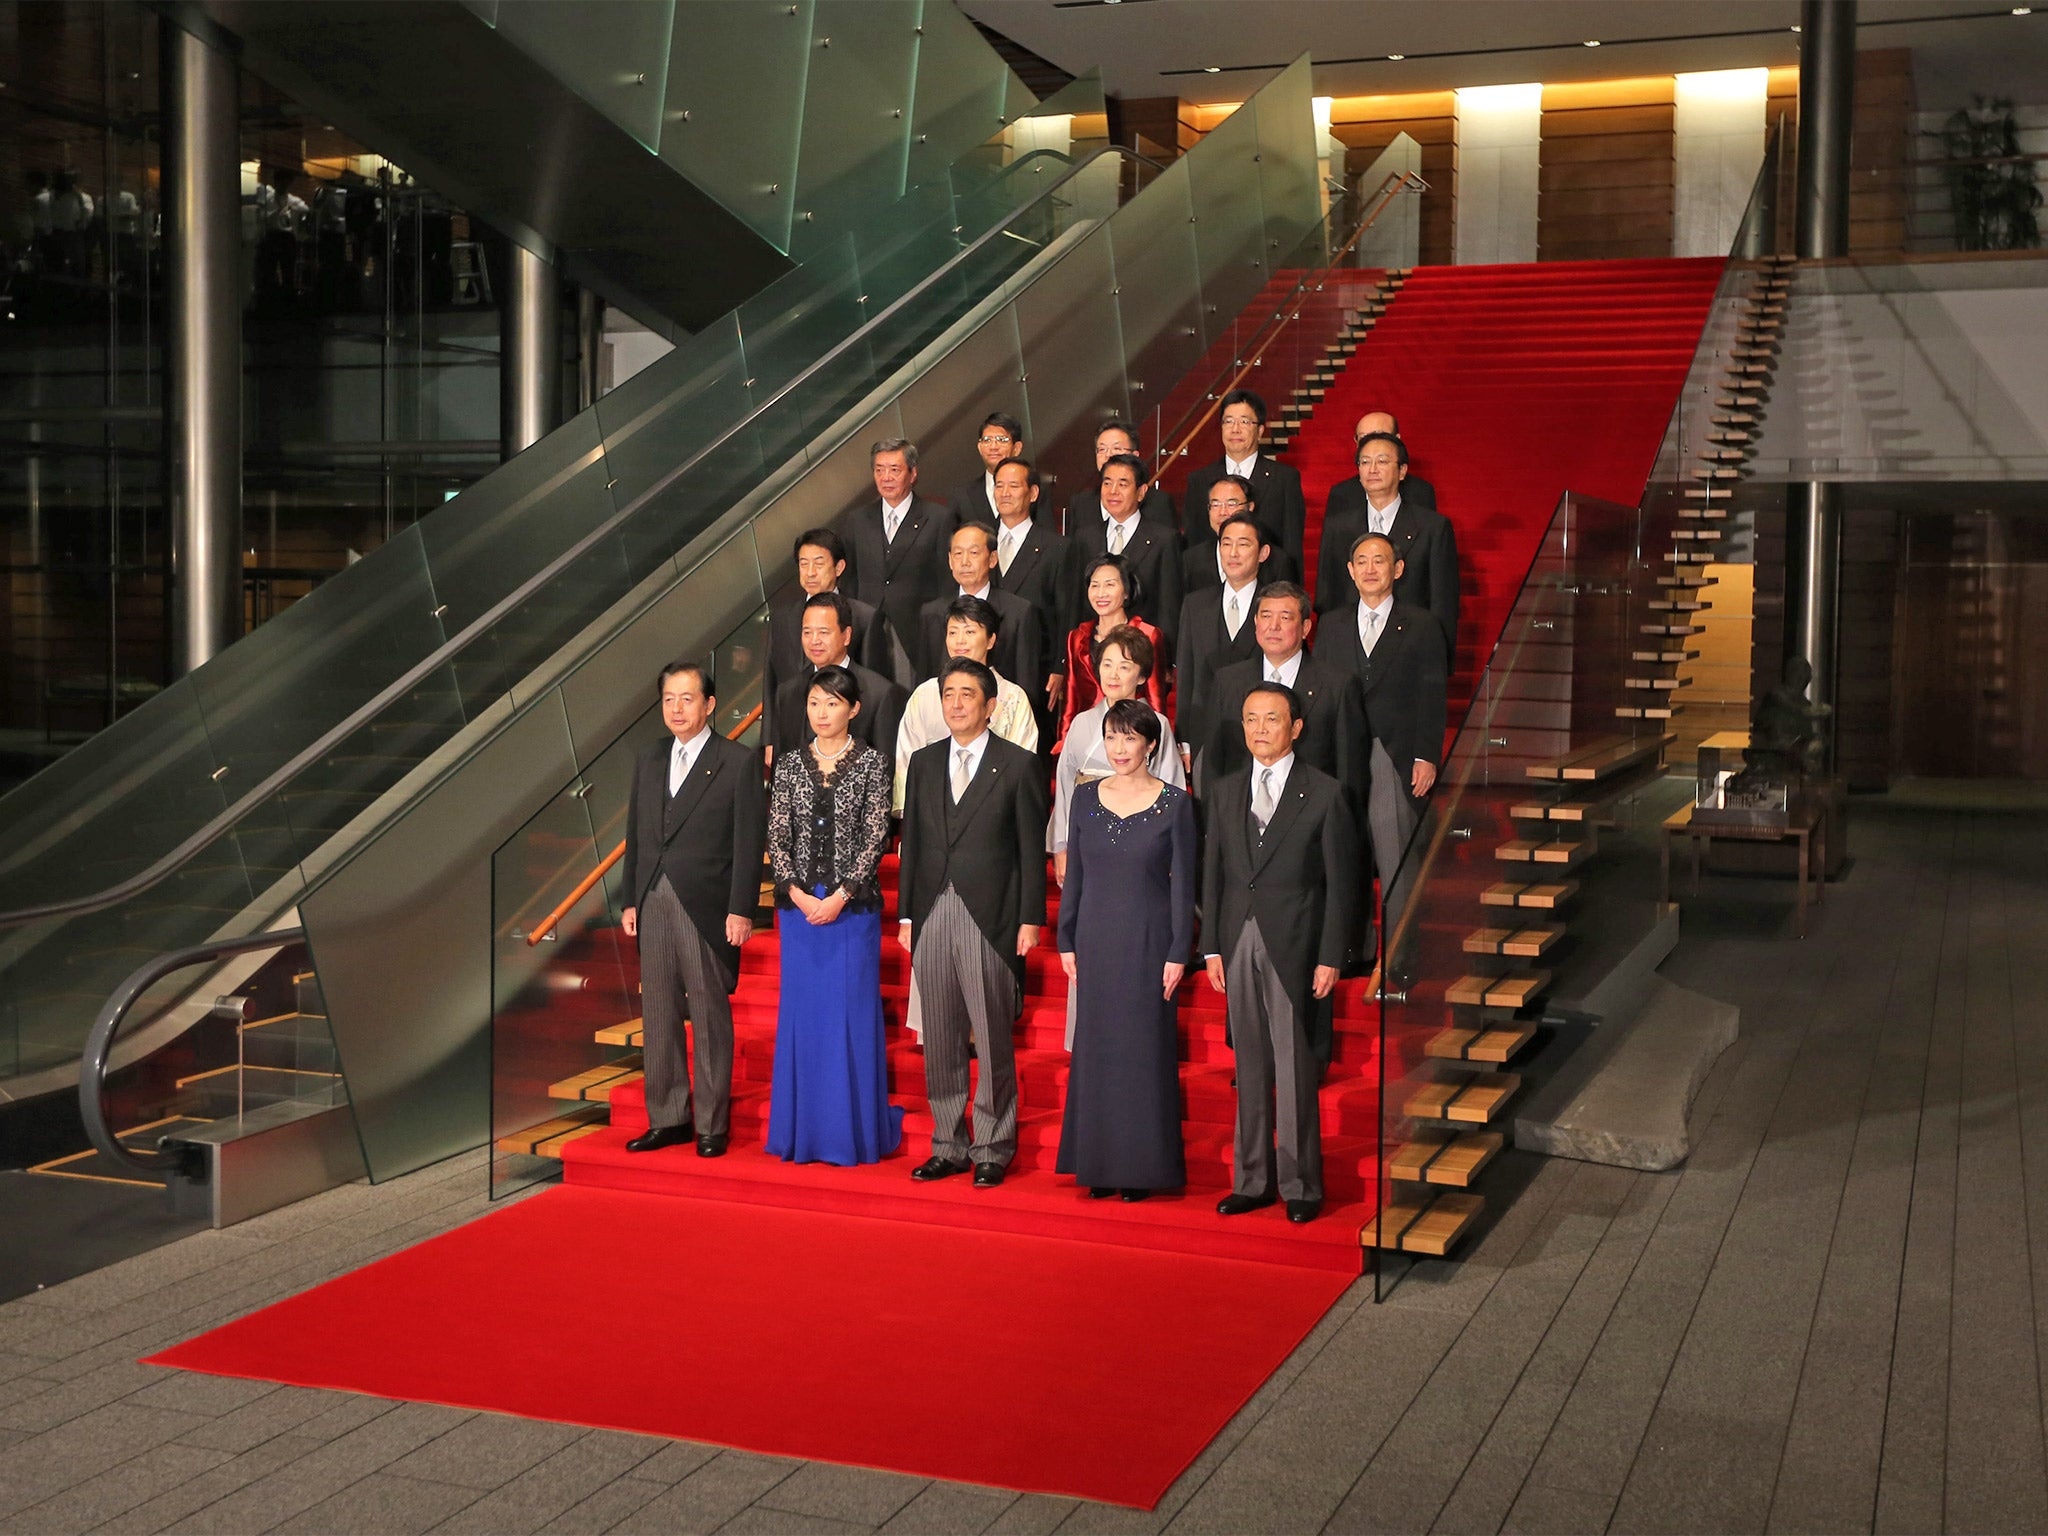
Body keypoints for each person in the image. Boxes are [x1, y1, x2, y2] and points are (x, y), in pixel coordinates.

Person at [1202, 682, 1359, 1224]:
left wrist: (1331, 954)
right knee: (1247, 1065)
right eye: (1251, 719)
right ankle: (1251, 1180)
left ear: (1295, 728)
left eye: (1272, 719)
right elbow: (1213, 875)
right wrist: (1211, 949)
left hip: (1296, 942)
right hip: (1236, 938)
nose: (1260, 729)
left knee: (1294, 1066)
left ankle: (1300, 1185)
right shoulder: (1223, 791)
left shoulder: (1325, 792)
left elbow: (1343, 884)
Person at [898, 658, 1049, 1187]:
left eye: (967, 694)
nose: (956, 703)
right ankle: (948, 1143)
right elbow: (912, 843)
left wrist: (1032, 918)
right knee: (938, 1036)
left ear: (990, 706)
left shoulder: (1018, 765)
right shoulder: (922, 761)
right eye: (949, 694)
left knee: (990, 1035)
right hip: (933, 911)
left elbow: (1033, 851)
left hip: (993, 914)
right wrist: (908, 915)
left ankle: (993, 1144)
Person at [620, 663, 767, 1158]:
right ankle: (668, 1117)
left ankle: (710, 1122)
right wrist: (629, 898)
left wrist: (741, 908)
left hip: (706, 903)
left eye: (687, 699)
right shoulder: (648, 758)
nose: (677, 709)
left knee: (707, 1013)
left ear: (710, 704)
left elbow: (749, 843)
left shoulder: (737, 760)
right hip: (653, 899)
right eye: (668, 699)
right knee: (658, 1013)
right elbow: (636, 835)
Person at [764, 667, 904, 1165]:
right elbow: (777, 836)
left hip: (852, 913)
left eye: (832, 704)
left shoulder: (872, 764)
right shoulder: (787, 765)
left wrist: (841, 895)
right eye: (815, 703)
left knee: (849, 1016)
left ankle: (853, 1133)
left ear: (854, 709)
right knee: (803, 1019)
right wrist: (799, 895)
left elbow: (875, 837)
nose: (822, 713)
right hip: (800, 912)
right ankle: (803, 1132)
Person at [1056, 699, 1195, 1201]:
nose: (1119, 748)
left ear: (1150, 744)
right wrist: (1065, 936)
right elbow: (1076, 877)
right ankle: (1098, 1165)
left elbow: (1183, 888)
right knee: (1097, 1051)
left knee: (1142, 1052)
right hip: (1094, 937)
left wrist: (1179, 950)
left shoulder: (1176, 804)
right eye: (1112, 737)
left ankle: (1140, 1168)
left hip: (1149, 940)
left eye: (1130, 738)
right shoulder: (1085, 799)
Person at [1317, 532, 1447, 976]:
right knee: (1344, 852)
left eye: (1380, 560)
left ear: (1399, 569)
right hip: (1341, 752)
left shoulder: (1422, 623)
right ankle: (1357, 949)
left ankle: (1400, 956)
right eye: (1362, 561)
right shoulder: (1331, 624)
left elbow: (1433, 693)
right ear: (1350, 571)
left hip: (1395, 752)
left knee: (1395, 859)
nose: (1371, 568)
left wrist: (1427, 754)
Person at [1054, 626, 1185, 884]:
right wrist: (1061, 844)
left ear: (1141, 676)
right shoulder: (1081, 723)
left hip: (1142, 838)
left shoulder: (1156, 723)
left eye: (1124, 667)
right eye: (1107, 665)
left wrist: (1169, 848)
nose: (1113, 675)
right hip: (1086, 835)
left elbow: (1171, 786)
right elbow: (1064, 786)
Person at [1317, 427, 1459, 665]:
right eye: (1365, 462)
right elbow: (1328, 593)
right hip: (1350, 649)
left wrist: (1439, 660)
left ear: (1402, 471)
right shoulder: (1338, 526)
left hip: (1410, 649)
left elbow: (1443, 601)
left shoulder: (1433, 527)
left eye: (1382, 461)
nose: (1372, 469)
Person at [1204, 582, 1360, 785]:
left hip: (1312, 809)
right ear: (1255, 622)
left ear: (1305, 628)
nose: (1273, 626)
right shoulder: (1227, 682)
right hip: (1241, 809)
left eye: (1285, 618)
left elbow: (1350, 772)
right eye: (1266, 616)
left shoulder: (1338, 686)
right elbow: (1213, 762)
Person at [893, 594, 1038, 813]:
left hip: (995, 813)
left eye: (970, 632)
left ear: (990, 640)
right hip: (933, 813)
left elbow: (1022, 765)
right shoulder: (924, 695)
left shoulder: (1013, 698)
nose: (960, 640)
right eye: (953, 632)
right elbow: (906, 760)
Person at [837, 438, 957, 660]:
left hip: (918, 630)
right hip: (867, 628)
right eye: (879, 470)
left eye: (894, 470)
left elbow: (947, 581)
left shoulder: (939, 517)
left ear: (912, 474)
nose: (886, 478)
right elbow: (849, 579)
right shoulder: (857, 520)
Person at [765, 528, 898, 714]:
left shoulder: (864, 617)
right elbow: (771, 680)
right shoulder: (781, 617)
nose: (810, 572)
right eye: (804, 564)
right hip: (792, 722)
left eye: (818, 564)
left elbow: (873, 684)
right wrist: (770, 739)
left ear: (839, 567)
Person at [1174, 511, 1268, 775]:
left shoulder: (1276, 606)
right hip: (1207, 733)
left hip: (1262, 734)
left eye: (1244, 544)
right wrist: (1185, 740)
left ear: (1263, 553)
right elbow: (1187, 675)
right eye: (1226, 544)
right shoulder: (1196, 604)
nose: (1233, 553)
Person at [769, 592, 906, 760]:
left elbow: (887, 763)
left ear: (846, 635)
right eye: (807, 632)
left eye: (823, 632)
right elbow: (781, 761)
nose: (814, 640)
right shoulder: (787, 692)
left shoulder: (880, 693)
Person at [1182, 389, 1307, 569]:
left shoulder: (1284, 479)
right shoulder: (1199, 480)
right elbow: (1193, 543)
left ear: (1260, 430)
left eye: (1244, 422)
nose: (1235, 429)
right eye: (1229, 421)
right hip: (1212, 588)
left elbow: (1292, 544)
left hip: (1268, 584)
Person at [988, 455, 1072, 723]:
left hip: (1034, 664)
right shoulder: (979, 540)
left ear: (1033, 493)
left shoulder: (1056, 547)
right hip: (985, 663)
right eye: (999, 486)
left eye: (1013, 486)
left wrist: (1060, 666)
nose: (1004, 493)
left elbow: (1065, 611)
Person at [1069, 454, 1184, 649]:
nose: (1113, 491)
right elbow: (1076, 601)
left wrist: (1166, 658)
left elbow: (1169, 606)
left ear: (1141, 492)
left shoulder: (1164, 539)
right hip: (1093, 649)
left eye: (1123, 484)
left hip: (1143, 651)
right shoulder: (1085, 537)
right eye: (1107, 483)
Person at [1056, 554, 1170, 750]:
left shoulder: (1148, 634)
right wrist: (1064, 744)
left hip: (1131, 734)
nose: (1101, 593)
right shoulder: (1077, 637)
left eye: (1109, 585)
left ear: (1126, 591)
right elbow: (1071, 700)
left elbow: (1155, 697)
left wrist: (1156, 745)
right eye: (1094, 585)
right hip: (1088, 734)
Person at [916, 521, 1044, 690]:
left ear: (992, 559)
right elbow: (924, 681)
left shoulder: (1019, 612)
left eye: (974, 553)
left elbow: (1026, 681)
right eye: (958, 553)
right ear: (949, 560)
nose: (964, 562)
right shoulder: (931, 612)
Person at [1181, 474, 1300, 594]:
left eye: (1231, 504)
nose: (1222, 512)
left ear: (1250, 507)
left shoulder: (1277, 562)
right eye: (1215, 505)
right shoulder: (1191, 560)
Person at [1063, 419, 1177, 537]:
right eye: (1102, 449)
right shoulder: (1081, 503)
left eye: (1116, 449)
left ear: (1135, 456)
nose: (1108, 455)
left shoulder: (1158, 503)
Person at [949, 410, 1023, 524]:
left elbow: (1046, 538)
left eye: (1001, 440)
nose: (993, 446)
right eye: (987, 440)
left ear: (1016, 448)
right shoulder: (961, 495)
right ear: (980, 448)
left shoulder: (1034, 490)